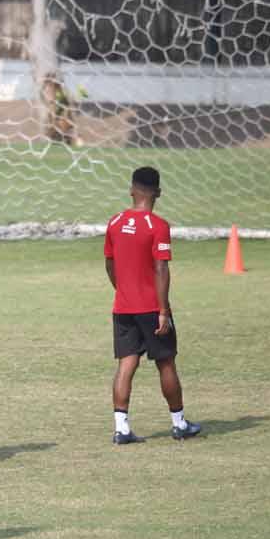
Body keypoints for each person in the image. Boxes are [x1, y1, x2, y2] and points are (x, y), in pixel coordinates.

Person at [104, 167, 201, 444]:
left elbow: (109, 264)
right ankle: (179, 424)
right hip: (151, 308)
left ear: (132, 189)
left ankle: (121, 429)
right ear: (158, 193)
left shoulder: (115, 222)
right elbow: (161, 268)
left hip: (122, 307)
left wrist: (122, 290)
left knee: (126, 363)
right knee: (166, 362)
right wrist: (162, 310)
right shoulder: (158, 226)